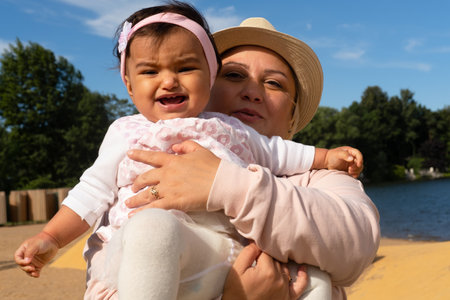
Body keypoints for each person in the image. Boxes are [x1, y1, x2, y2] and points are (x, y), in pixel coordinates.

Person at [13, 2, 364, 300]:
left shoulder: (241, 138)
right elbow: (91, 192)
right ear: (130, 87)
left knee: (315, 280)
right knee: (152, 229)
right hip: (156, 249)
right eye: (235, 76)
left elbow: (279, 154)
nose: (168, 80)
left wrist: (325, 157)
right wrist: (51, 237)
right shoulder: (127, 132)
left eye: (273, 83)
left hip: (223, 253)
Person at [124, 17, 381, 300]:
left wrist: (223, 184)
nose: (252, 92)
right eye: (233, 75)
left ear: (292, 118)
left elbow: (356, 243)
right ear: (201, 87)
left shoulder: (318, 177)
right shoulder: (146, 161)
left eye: (273, 83)